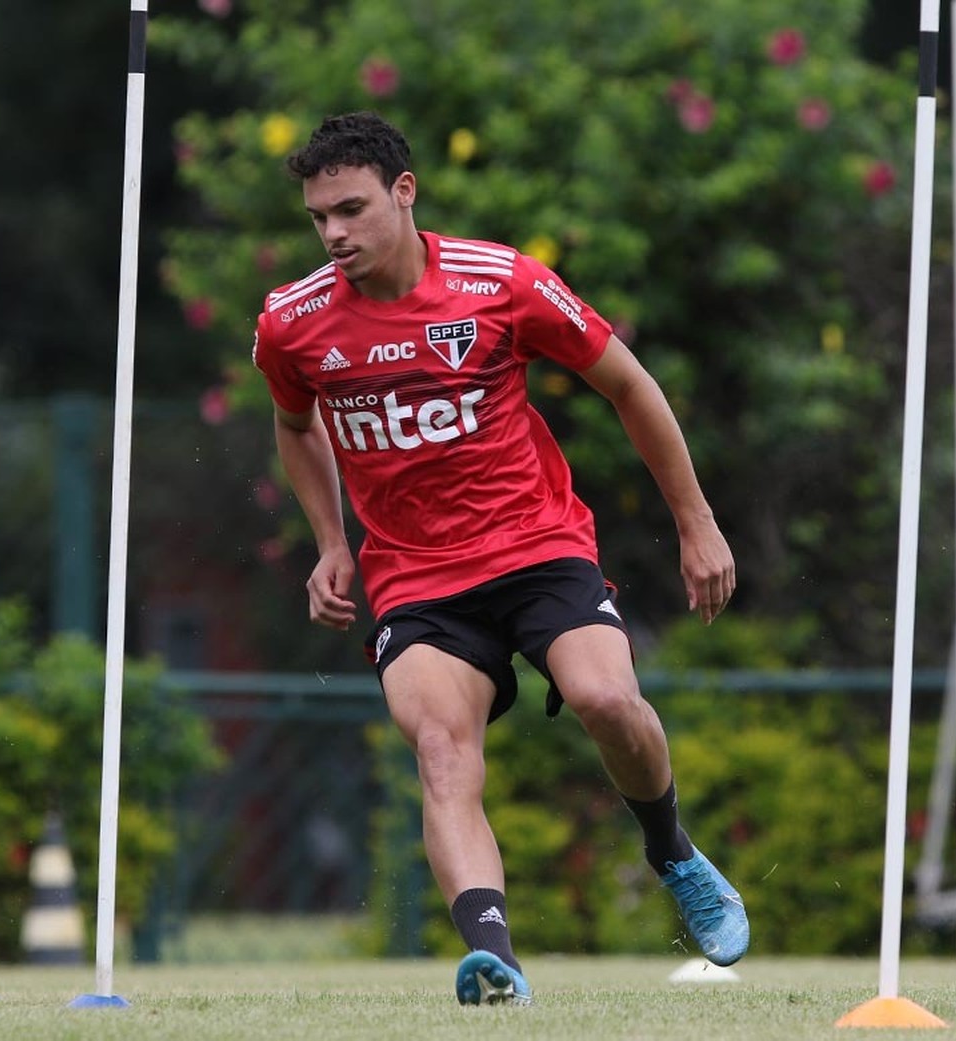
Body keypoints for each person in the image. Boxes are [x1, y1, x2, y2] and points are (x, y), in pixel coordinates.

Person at [251, 111, 748, 1005]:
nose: (332, 234)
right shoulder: (293, 324)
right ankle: (496, 961)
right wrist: (332, 541)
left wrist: (696, 521)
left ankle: (672, 850)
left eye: (351, 210)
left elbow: (628, 384)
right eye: (318, 217)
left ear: (405, 194)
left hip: (537, 545)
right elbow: (295, 425)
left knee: (606, 698)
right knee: (442, 751)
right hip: (414, 576)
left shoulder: (501, 282)